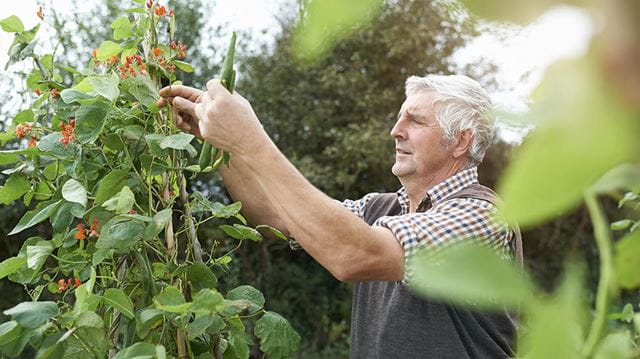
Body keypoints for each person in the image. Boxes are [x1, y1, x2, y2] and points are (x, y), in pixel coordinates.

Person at [157, 74, 521, 358]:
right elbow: (276, 219)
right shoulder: (381, 209)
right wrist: (224, 145)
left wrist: (252, 139)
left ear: (460, 141)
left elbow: (355, 255)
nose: (396, 131)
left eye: (415, 121)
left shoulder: (482, 217)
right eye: (399, 119)